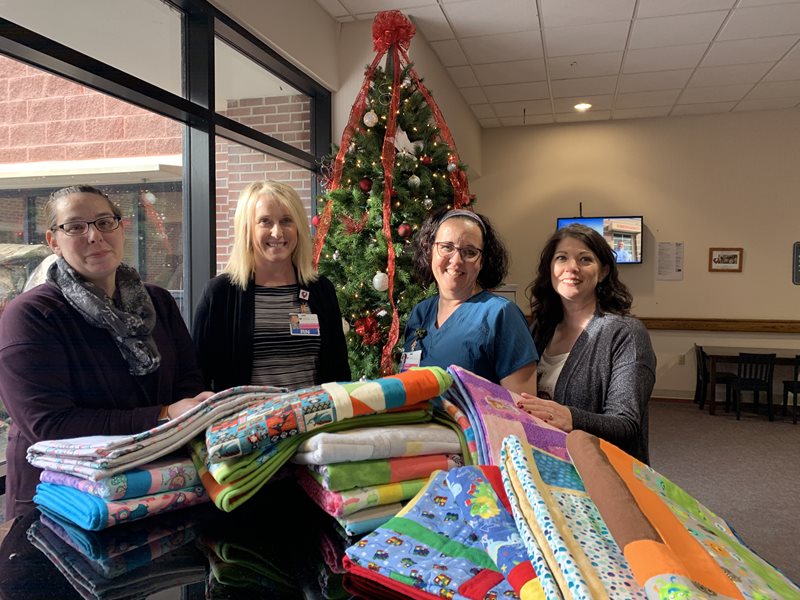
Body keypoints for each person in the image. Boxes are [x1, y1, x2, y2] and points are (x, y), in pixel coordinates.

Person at [0, 185, 210, 519]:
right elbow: (49, 424)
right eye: (75, 227)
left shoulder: (158, 303)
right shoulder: (31, 316)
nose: (94, 236)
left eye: (103, 222)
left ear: (120, 227)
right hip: (64, 502)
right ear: (53, 240)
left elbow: (188, 379)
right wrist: (164, 415)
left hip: (158, 485)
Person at [192, 180, 350, 391]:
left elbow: (339, 371)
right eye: (265, 221)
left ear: (299, 228)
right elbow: (197, 378)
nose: (277, 233)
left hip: (315, 420)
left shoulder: (320, 290)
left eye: (286, 221)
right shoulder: (219, 295)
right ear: (247, 229)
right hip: (246, 422)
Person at [520, 223, 656, 463]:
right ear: (550, 269)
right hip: (545, 465)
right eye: (562, 258)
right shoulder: (540, 330)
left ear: (603, 272)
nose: (572, 268)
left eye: (585, 260)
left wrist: (571, 418)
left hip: (601, 473)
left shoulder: (626, 334)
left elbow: (626, 424)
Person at [402, 209, 538, 394]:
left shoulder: (502, 315)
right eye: (446, 247)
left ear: (482, 261)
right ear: (430, 250)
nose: (456, 260)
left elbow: (523, 409)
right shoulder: (421, 312)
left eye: (469, 252)